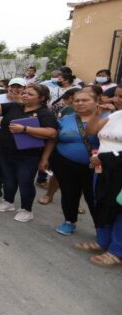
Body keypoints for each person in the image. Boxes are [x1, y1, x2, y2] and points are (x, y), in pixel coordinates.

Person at [0, 83, 58, 222]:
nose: (25, 95)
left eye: (30, 94)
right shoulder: (15, 106)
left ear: (42, 98)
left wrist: (25, 129)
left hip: (28, 156)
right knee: (8, 179)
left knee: (25, 182)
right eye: (25, 92)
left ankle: (26, 209)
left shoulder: (45, 113)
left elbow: (52, 133)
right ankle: (8, 202)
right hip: (7, 152)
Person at [39, 89, 101, 236]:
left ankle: (102, 228)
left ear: (96, 101)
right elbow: (54, 138)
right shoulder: (66, 119)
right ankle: (69, 221)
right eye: (77, 100)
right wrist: (45, 158)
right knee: (69, 193)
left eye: (85, 100)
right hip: (65, 163)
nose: (80, 103)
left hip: (96, 165)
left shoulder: (106, 118)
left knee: (94, 197)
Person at [83, 92, 122, 266]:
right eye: (117, 96)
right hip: (102, 167)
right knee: (102, 202)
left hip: (116, 168)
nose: (117, 99)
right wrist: (97, 113)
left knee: (119, 208)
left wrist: (105, 158)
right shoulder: (115, 114)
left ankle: (117, 250)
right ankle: (103, 241)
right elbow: (91, 131)